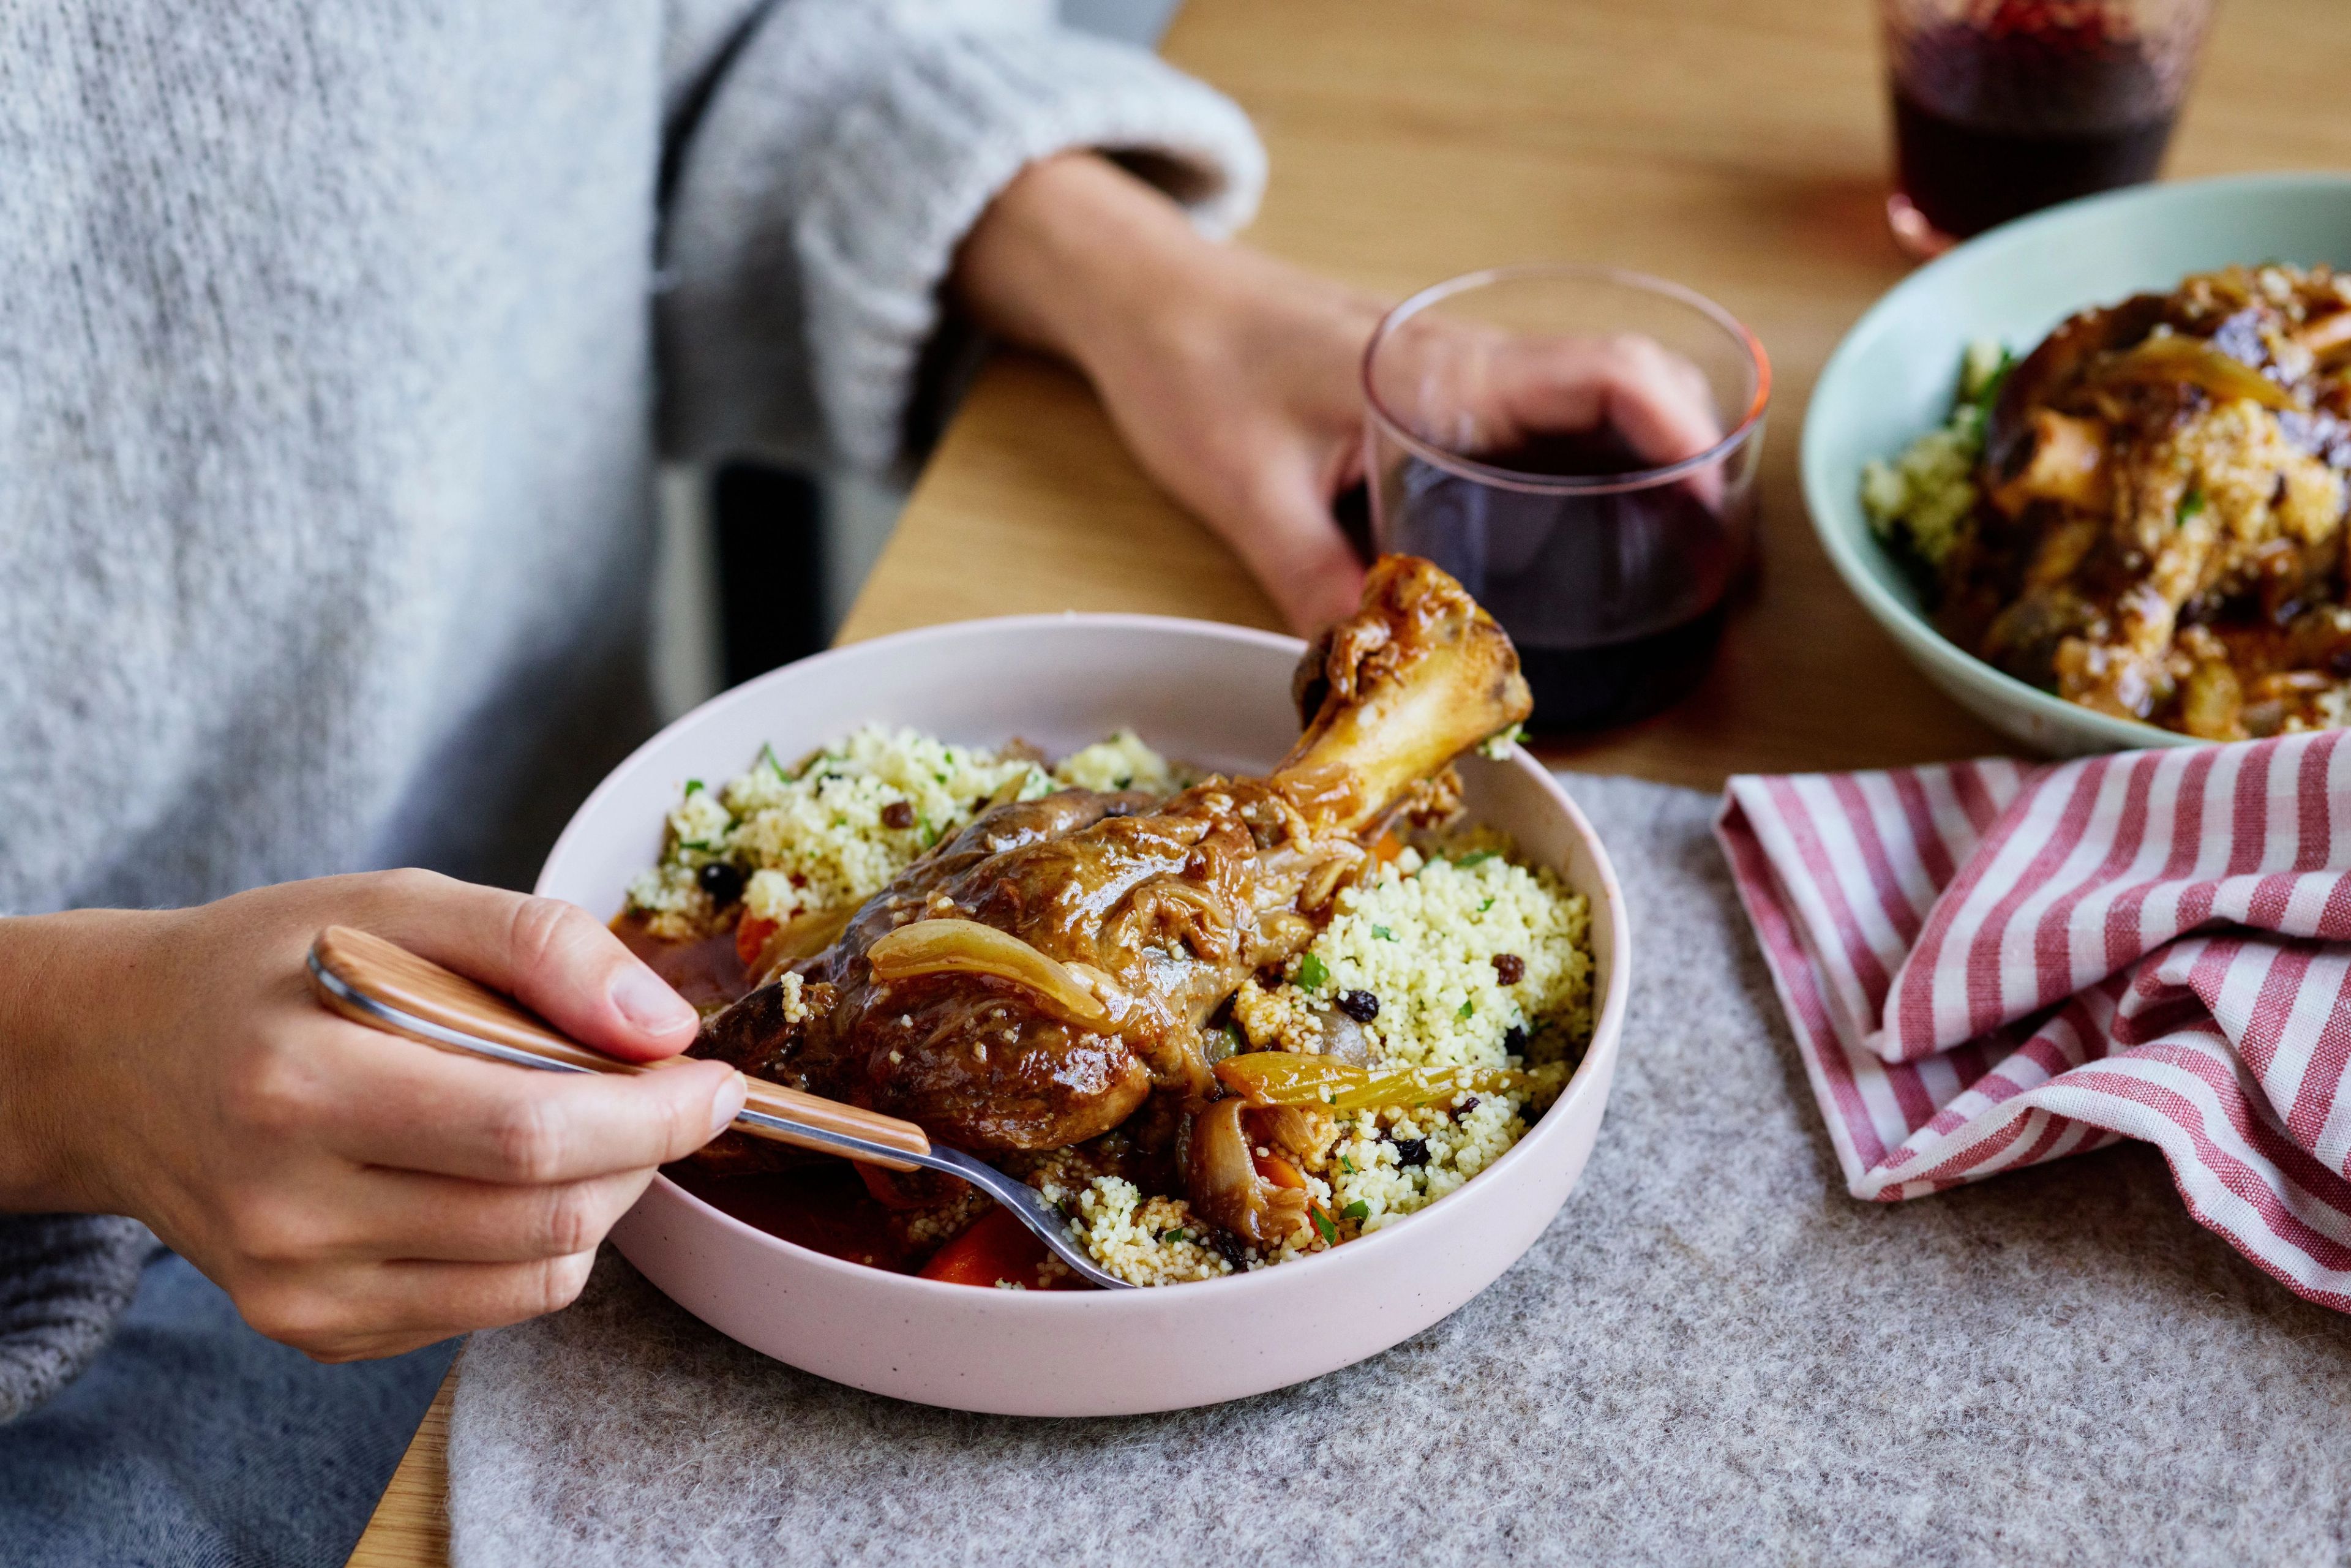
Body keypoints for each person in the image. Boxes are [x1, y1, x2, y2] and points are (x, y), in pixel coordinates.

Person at [0, 5, 1713, 1561]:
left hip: (575, 959)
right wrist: (74, 1060)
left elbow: (683, 44)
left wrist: (1159, 295)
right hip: (75, 1315)